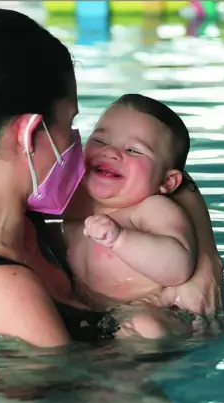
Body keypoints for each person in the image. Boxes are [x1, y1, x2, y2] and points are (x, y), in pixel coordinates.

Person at [0, 6, 224, 349]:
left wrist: (205, 265)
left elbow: (169, 183)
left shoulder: (4, 211)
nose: (81, 144)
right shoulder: (6, 295)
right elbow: (86, 399)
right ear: (30, 133)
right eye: (71, 123)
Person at [61, 94, 198, 339]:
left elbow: (178, 267)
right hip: (89, 312)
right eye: (100, 140)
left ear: (167, 182)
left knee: (147, 326)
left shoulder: (152, 209)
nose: (111, 152)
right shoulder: (69, 200)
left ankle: (131, 375)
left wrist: (121, 239)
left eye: (133, 150)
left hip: (149, 308)